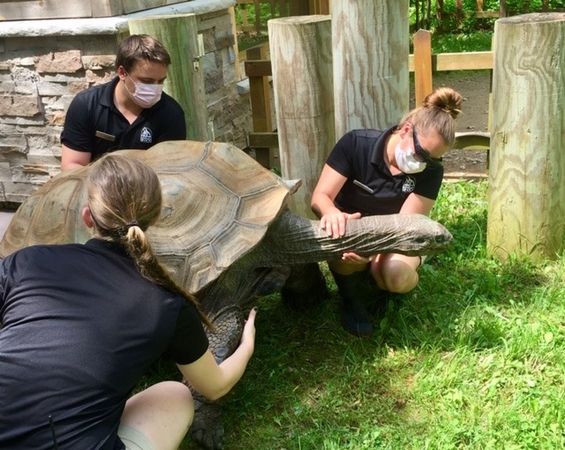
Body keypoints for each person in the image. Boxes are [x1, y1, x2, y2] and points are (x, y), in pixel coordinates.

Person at [0, 154, 256, 449]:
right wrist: (246, 343)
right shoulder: (167, 302)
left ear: (88, 217)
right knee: (176, 396)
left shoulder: (28, 261)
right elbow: (215, 386)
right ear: (155, 218)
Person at [311, 87, 462, 337]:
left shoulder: (431, 171)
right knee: (342, 248)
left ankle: (381, 287)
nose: (422, 163)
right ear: (405, 130)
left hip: (392, 237)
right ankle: (351, 300)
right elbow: (320, 196)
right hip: (349, 232)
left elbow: (405, 226)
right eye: (421, 153)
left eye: (432, 159)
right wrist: (331, 213)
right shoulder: (356, 143)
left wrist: (372, 255)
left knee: (395, 275)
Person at [60, 34, 186, 171]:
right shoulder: (86, 105)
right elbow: (72, 166)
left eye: (161, 81)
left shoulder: (171, 114)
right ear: (122, 72)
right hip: (95, 187)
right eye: (147, 81)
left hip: (150, 189)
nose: (155, 88)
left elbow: (170, 173)